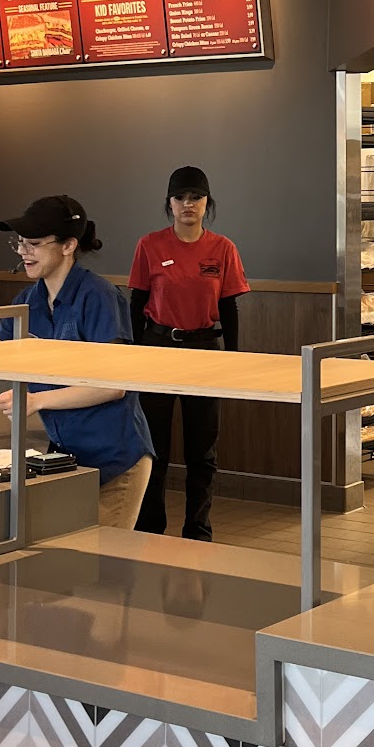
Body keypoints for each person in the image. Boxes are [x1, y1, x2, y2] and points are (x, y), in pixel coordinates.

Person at [0, 194, 154, 527]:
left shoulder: (99, 296)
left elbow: (112, 387)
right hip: (67, 459)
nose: (24, 252)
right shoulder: (27, 302)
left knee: (104, 557)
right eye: (20, 243)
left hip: (115, 459)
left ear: (68, 246)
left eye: (34, 243)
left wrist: (36, 400)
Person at [129, 166, 248, 543]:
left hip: (205, 352)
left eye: (196, 197)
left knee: (202, 450)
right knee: (154, 448)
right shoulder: (150, 245)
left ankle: (198, 529)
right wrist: (133, 355)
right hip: (158, 349)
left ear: (207, 203)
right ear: (169, 203)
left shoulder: (223, 248)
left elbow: (229, 307)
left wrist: (234, 358)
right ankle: (150, 527)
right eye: (180, 197)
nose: (188, 204)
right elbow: (137, 303)